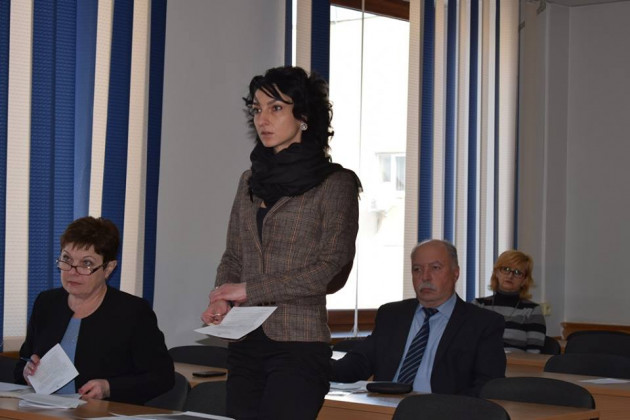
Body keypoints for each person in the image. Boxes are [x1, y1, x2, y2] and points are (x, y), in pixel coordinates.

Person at [200, 66, 361, 420]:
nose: (263, 119)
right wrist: (221, 297)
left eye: (276, 108)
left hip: (299, 344)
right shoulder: (249, 181)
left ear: (303, 115)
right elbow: (234, 255)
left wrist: (249, 290)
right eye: (257, 109)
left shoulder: (336, 184)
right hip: (245, 343)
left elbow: (330, 268)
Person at [15, 216, 174, 404]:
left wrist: (109, 387)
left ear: (108, 268)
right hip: (43, 409)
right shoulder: (46, 303)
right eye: (67, 259)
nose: (72, 271)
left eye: (87, 263)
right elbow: (24, 360)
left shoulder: (133, 312)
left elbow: (162, 377)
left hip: (103, 412)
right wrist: (27, 371)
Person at [331, 239, 506, 397]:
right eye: (417, 269)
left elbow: (487, 386)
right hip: (386, 407)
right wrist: (317, 362)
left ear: (455, 273)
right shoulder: (392, 314)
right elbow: (357, 364)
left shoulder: (483, 323)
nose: (425, 277)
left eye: (435, 268)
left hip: (442, 412)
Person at [473, 249, 546, 353]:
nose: (510, 276)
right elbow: (466, 343)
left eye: (517, 272)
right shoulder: (478, 305)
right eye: (506, 269)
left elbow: (534, 353)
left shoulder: (532, 311)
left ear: (524, 280)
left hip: (517, 363)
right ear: (496, 272)